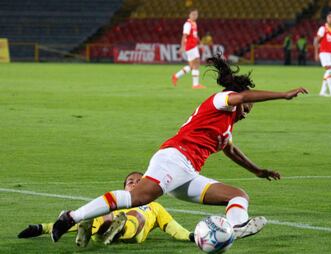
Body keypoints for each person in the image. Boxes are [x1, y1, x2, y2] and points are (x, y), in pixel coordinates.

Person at [51, 54, 308, 243]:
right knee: (138, 198)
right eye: (248, 108)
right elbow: (241, 97)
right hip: (174, 159)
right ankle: (71, 217)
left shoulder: (226, 126)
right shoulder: (221, 101)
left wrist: (258, 171)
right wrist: (283, 95)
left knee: (238, 195)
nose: (248, 112)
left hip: (187, 174)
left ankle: (236, 226)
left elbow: (231, 150)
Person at [18, 172, 193, 247]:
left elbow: (172, 227)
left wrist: (190, 236)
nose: (134, 183)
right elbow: (69, 222)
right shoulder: (115, 204)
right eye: (130, 181)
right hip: (110, 228)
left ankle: (112, 230)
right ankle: (103, 230)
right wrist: (41, 228)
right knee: (103, 214)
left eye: (139, 181)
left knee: (133, 215)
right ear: (124, 188)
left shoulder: (155, 206)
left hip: (134, 231)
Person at [172, 9, 205, 89]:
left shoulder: (194, 23)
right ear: (189, 15)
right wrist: (182, 46)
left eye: (196, 14)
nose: (195, 16)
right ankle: (195, 84)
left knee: (192, 65)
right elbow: (184, 36)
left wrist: (200, 43)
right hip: (190, 46)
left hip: (194, 46)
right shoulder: (188, 24)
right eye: (193, 14)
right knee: (196, 63)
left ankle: (176, 76)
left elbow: (195, 36)